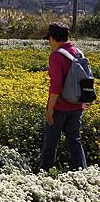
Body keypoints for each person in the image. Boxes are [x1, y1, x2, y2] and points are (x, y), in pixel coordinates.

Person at [40, 22, 87, 171]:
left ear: (53, 38)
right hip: (78, 104)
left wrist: (50, 109)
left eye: (49, 39)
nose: (49, 42)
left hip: (60, 107)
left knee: (50, 142)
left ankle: (45, 174)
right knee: (75, 141)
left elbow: (56, 86)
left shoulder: (56, 56)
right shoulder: (78, 52)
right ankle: (81, 172)